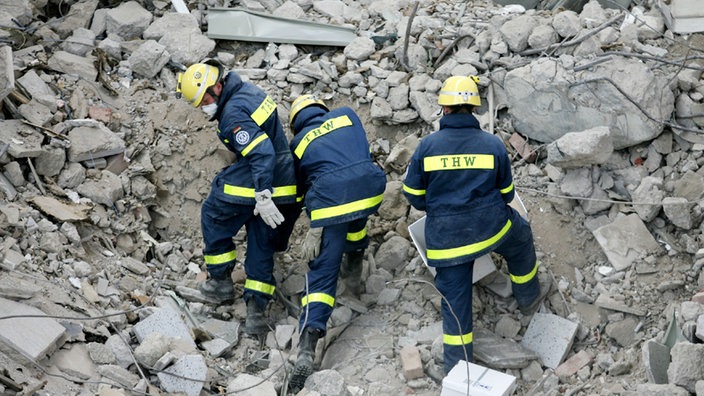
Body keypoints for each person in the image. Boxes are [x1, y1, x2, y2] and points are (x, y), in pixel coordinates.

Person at [402, 76, 551, 375]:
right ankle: (527, 298)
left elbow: (415, 198)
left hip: (447, 243)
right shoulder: (492, 144)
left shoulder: (427, 147)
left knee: (455, 308)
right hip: (491, 230)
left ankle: (459, 374)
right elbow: (508, 195)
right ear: (474, 109)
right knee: (520, 240)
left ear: (444, 109)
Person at [175, 60, 300, 336]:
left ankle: (220, 283)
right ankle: (256, 313)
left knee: (214, 211)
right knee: (261, 238)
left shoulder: (232, 114)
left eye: (205, 98)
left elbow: (262, 153)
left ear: (218, 86)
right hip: (286, 179)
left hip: (266, 176)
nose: (203, 105)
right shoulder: (248, 92)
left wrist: (263, 195)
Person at [286, 94, 386, 392]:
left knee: (322, 271)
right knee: (354, 221)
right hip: (371, 189)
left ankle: (307, 345)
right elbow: (357, 152)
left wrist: (315, 224)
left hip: (331, 203)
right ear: (321, 110)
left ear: (295, 123)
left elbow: (301, 190)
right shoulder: (347, 114)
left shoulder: (298, 142)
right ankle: (354, 272)